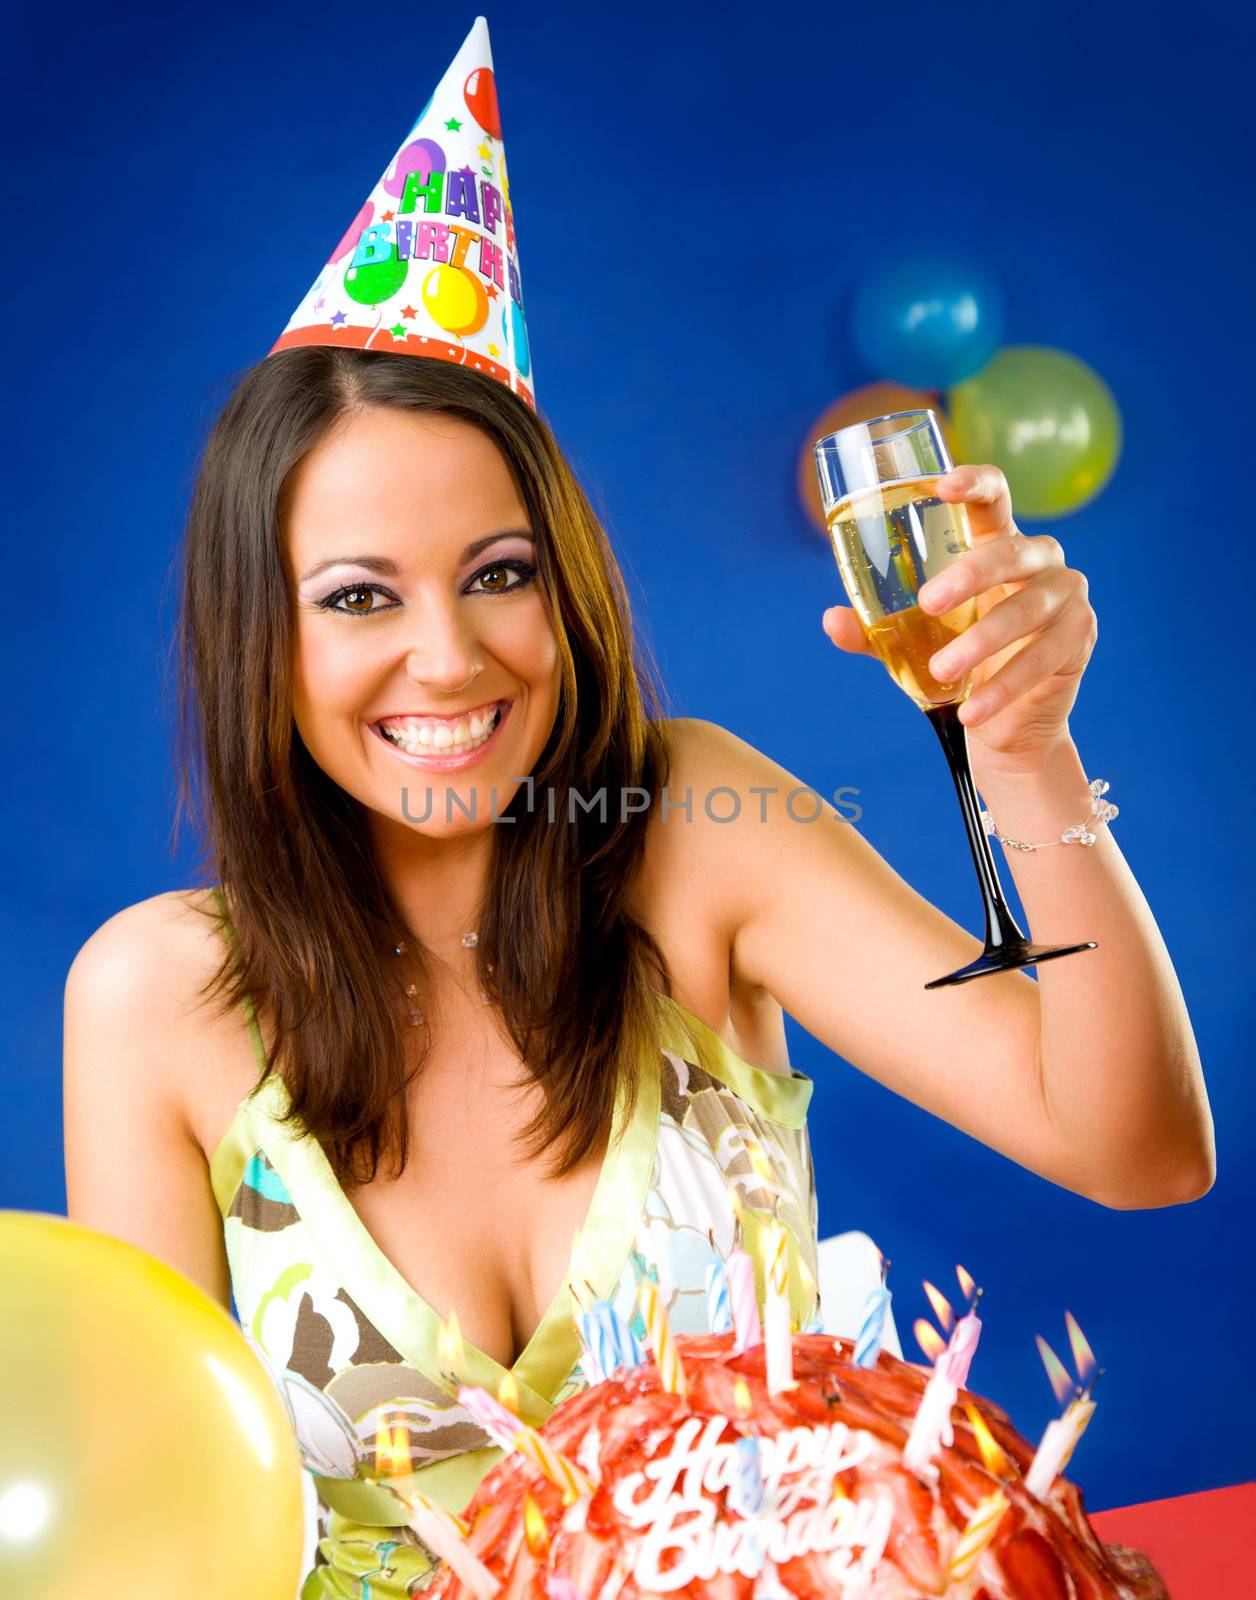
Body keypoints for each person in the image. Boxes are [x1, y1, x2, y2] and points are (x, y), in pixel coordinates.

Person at [61, 23, 1214, 1600]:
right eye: (357, 597)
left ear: (567, 589)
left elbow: (1133, 1146)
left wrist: (1024, 755)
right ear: (263, 638)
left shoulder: (691, 828)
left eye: (499, 576)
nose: (450, 656)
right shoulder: (155, 1002)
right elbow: (149, 1524)